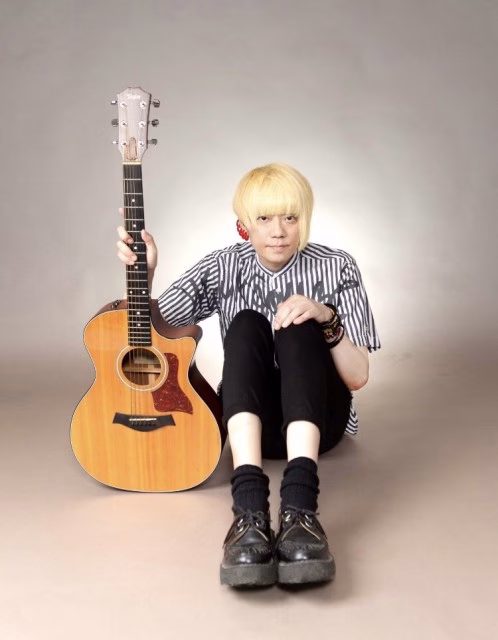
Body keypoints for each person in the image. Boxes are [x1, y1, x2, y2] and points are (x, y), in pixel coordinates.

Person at [116, 162, 381, 588]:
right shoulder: (223, 265)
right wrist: (143, 275)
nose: (278, 231)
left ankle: (300, 510)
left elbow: (357, 377)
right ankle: (249, 511)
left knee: (298, 324)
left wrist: (325, 316)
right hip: (251, 423)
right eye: (264, 219)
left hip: (320, 422)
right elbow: (157, 332)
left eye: (290, 218)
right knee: (245, 323)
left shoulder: (337, 266)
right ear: (244, 225)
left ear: (304, 220)